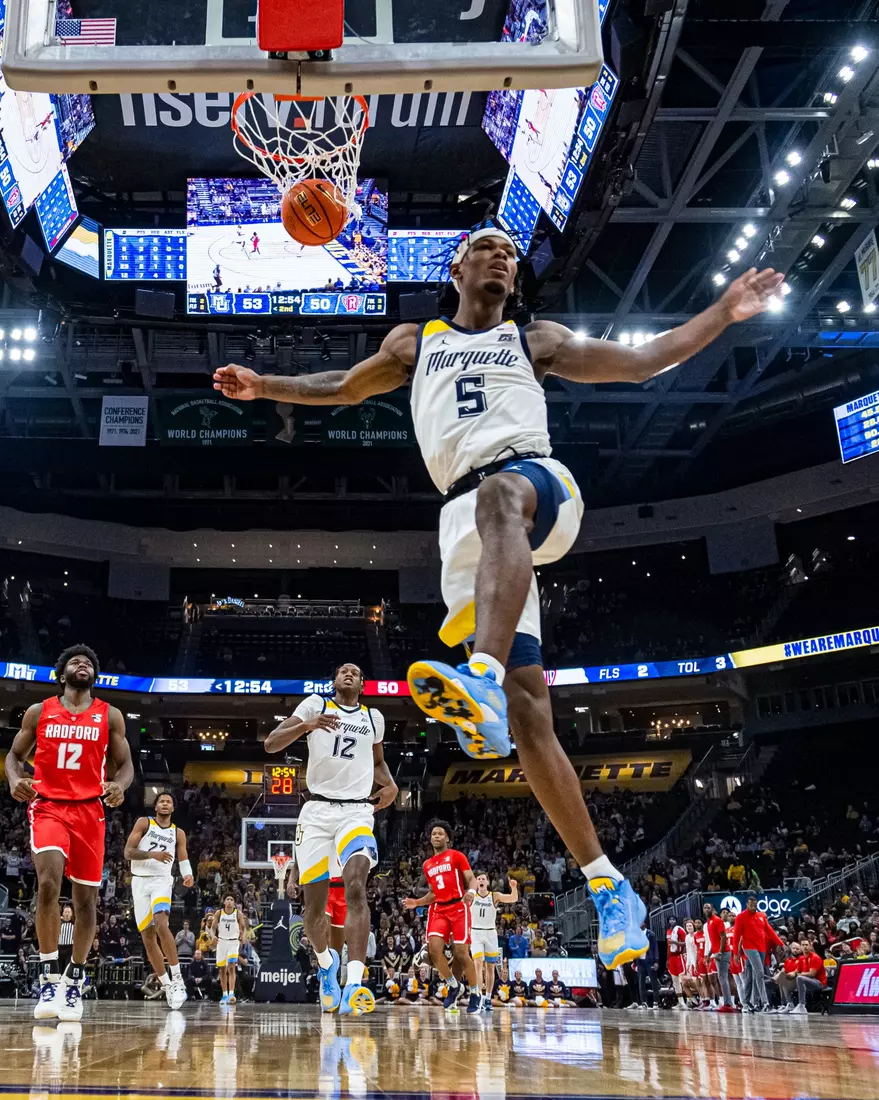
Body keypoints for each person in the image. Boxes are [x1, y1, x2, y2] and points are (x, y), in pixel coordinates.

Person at [212, 228, 782, 969]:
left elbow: (643, 362)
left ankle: (475, 675)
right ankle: (608, 884)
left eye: (511, 250)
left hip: (534, 485)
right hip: (465, 533)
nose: (504, 255)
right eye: (488, 245)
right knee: (529, 712)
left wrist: (721, 311)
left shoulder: (535, 338)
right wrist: (266, 386)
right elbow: (343, 387)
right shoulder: (416, 342)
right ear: (456, 267)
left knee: (500, 496)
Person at [4, 644, 134, 1021]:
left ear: (95, 675)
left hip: (90, 810)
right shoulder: (39, 711)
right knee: (47, 884)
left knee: (85, 902)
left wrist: (121, 786)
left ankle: (73, 980)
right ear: (62, 674)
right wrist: (15, 778)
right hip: (48, 805)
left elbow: (125, 766)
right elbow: (14, 756)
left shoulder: (110, 715)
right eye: (75, 662)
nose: (83, 665)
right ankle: (47, 977)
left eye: (89, 662)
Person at [264, 662, 397, 1015]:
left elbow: (378, 762)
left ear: (363, 683)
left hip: (356, 812)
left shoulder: (374, 718)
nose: (349, 673)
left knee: (355, 885)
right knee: (312, 911)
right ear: (334, 681)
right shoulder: (316, 705)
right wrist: (306, 725)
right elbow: (271, 744)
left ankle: (354, 980)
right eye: (342, 671)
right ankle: (325, 963)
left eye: (355, 671)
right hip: (317, 812)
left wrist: (391, 784)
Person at [124, 791, 194, 1009]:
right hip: (140, 881)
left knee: (161, 923)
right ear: (156, 807)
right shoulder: (144, 823)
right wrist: (151, 855)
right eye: (162, 801)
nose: (165, 804)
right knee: (147, 937)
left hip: (162, 880)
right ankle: (167, 985)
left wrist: (187, 874)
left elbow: (183, 857)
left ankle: (178, 979)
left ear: (173, 808)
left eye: (169, 802)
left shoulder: (178, 833)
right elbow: (128, 852)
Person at [403, 820, 481, 1013]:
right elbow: (433, 894)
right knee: (434, 951)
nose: (436, 836)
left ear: (447, 838)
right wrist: (417, 902)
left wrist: (471, 892)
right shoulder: (427, 865)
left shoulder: (456, 856)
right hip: (439, 909)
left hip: (458, 906)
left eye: (440, 833)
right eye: (433, 834)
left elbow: (471, 878)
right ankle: (454, 986)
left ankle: (475, 993)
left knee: (461, 954)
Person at [470, 869, 518, 1010]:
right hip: (476, 932)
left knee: (490, 967)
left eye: (483, 878)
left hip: (491, 933)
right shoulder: (471, 896)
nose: (481, 881)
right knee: (478, 964)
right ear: (476, 882)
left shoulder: (494, 896)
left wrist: (514, 887)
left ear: (488, 882)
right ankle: (478, 996)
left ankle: (488, 998)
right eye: (478, 879)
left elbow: (513, 899)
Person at [733, 893, 783, 1012]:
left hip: (761, 947)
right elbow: (736, 936)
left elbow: (770, 931)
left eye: (755, 905)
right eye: (751, 905)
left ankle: (746, 1003)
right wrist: (736, 953)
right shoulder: (741, 917)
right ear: (746, 905)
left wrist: (780, 943)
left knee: (750, 976)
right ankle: (765, 1003)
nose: (753, 907)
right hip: (749, 947)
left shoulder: (761, 916)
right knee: (759, 973)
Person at [210, 893, 245, 1005]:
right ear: (224, 902)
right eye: (227, 899)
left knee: (231, 966)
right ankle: (224, 994)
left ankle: (231, 993)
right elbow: (212, 928)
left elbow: (243, 927)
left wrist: (242, 936)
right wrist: (213, 936)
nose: (229, 901)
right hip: (221, 942)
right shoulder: (219, 913)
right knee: (222, 970)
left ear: (234, 903)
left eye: (231, 899)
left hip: (233, 942)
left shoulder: (238, 913)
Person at [705, 902, 735, 1012]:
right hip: (716, 952)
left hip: (723, 952)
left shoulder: (717, 920)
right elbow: (714, 941)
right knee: (722, 978)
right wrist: (709, 955)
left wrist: (720, 952)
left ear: (712, 909)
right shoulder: (709, 922)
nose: (706, 909)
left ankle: (728, 1004)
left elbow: (723, 937)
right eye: (705, 907)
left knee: (723, 978)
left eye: (708, 907)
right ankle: (727, 1002)